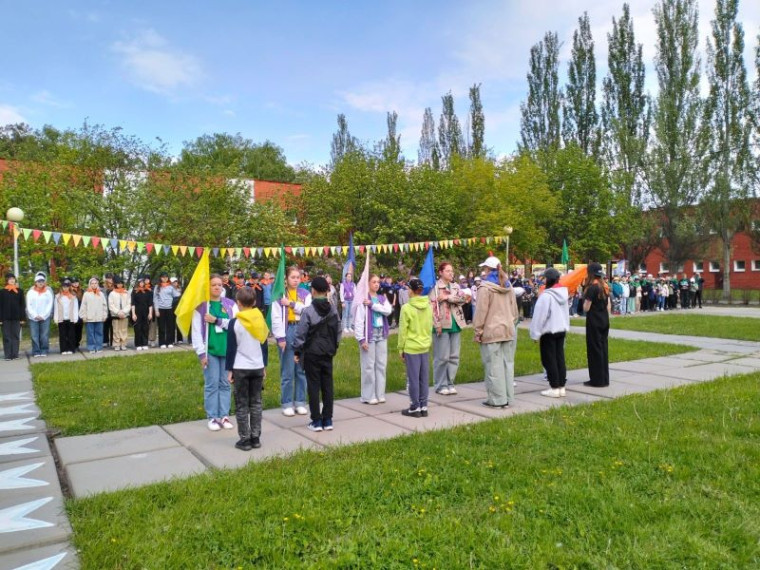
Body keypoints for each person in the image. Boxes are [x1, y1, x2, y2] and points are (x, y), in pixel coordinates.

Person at [292, 276, 341, 432]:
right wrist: (334, 346)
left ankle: (316, 420)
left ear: (312, 291)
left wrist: (298, 351)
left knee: (313, 386)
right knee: (328, 385)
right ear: (327, 290)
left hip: (312, 353)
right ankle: (328, 419)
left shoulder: (308, 311)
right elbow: (338, 331)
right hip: (328, 352)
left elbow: (301, 333)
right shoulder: (333, 309)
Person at [472, 256, 520, 408]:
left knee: (493, 366)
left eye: (484, 269)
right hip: (508, 329)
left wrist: (478, 331)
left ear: (487, 269)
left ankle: (497, 400)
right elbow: (515, 310)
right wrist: (511, 322)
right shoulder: (508, 286)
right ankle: (508, 398)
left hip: (491, 331)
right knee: (507, 365)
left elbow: (481, 312)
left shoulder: (485, 288)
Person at [192, 274, 237, 432]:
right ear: (208, 288)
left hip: (227, 350)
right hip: (210, 350)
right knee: (212, 384)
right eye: (213, 285)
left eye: (219, 285)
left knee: (225, 383)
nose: (217, 287)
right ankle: (212, 416)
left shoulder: (230, 305)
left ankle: (224, 415)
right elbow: (196, 331)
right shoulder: (202, 307)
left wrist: (217, 320)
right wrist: (201, 354)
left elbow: (235, 324)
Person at [225, 286, 268, 450]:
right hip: (257, 367)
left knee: (242, 404)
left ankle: (245, 439)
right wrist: (264, 365)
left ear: (238, 303)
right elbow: (264, 345)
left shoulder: (235, 323)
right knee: (256, 402)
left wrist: (230, 369)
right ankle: (256, 437)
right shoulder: (260, 319)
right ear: (255, 302)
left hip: (240, 367)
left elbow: (231, 348)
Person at [271, 266, 311, 417]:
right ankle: (287, 402)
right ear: (286, 279)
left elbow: (308, 311)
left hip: (302, 331)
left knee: (301, 368)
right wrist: (280, 337)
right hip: (287, 330)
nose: (295, 280)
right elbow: (275, 317)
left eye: (298, 277)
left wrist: (292, 305)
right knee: (287, 370)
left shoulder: (305, 294)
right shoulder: (279, 295)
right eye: (292, 277)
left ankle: (300, 401)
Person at [529, 268, 570, 398]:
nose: (543, 280)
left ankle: (554, 387)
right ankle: (561, 386)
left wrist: (535, 334)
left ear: (549, 279)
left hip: (549, 331)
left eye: (544, 278)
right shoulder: (563, 293)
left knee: (549, 359)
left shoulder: (546, 296)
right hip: (561, 329)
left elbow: (539, 317)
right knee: (559, 358)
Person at [430, 262, 467, 395]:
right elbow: (432, 307)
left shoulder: (455, 286)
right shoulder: (435, 288)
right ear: (440, 272)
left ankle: (450, 382)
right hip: (442, 325)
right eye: (447, 271)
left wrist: (448, 297)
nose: (451, 273)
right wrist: (436, 324)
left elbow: (463, 299)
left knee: (454, 356)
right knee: (442, 357)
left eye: (452, 271)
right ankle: (440, 384)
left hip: (455, 323)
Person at [355, 273, 393, 405]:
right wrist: (361, 339)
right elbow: (359, 321)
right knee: (368, 366)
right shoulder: (363, 300)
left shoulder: (382, 298)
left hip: (381, 334)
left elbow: (388, 311)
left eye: (378, 282)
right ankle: (368, 395)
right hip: (369, 335)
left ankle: (380, 393)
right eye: (373, 282)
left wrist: (373, 305)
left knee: (381, 365)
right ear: (368, 284)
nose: (376, 284)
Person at [397, 278, 433, 418]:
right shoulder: (428, 306)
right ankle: (424, 405)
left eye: (408, 289)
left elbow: (403, 331)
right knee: (423, 378)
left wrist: (401, 349)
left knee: (413, 378)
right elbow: (429, 326)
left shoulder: (407, 308)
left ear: (411, 291)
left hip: (411, 347)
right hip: (424, 346)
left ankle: (414, 406)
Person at [583, 262, 611, 387]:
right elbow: (609, 306)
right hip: (604, 319)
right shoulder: (605, 286)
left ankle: (596, 380)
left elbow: (586, 308)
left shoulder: (592, 288)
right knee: (603, 349)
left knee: (594, 350)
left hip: (594, 321)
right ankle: (605, 378)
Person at [26, 271, 54, 358]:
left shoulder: (48, 291)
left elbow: (50, 304)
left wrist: (44, 315)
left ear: (44, 282)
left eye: (42, 281)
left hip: (45, 317)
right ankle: (36, 351)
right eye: (39, 281)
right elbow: (28, 305)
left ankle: (44, 350)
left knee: (44, 335)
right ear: (35, 282)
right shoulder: (30, 292)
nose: (41, 283)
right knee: (34, 335)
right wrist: (35, 315)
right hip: (33, 317)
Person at [79, 277, 108, 353]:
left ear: (97, 284)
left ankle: (98, 347)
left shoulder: (101, 294)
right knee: (90, 334)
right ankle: (91, 347)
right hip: (89, 317)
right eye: (92, 283)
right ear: (90, 284)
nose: (94, 285)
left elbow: (104, 306)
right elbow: (83, 306)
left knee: (99, 333)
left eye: (95, 283)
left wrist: (105, 315)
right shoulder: (86, 294)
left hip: (99, 317)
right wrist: (83, 316)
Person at [0, 272, 25, 360]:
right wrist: (0, 319)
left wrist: (22, 318)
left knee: (15, 336)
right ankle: (8, 355)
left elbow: (22, 305)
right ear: (7, 280)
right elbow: (0, 305)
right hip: (5, 318)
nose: (12, 280)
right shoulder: (2, 292)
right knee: (7, 336)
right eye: (10, 279)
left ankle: (15, 354)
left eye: (13, 279)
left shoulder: (20, 291)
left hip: (17, 318)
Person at [154, 271, 180, 348]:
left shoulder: (171, 287)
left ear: (168, 278)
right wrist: (156, 310)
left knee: (170, 326)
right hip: (161, 309)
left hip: (170, 309)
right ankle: (162, 343)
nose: (164, 279)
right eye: (163, 277)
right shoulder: (157, 287)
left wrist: (180, 291)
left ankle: (170, 342)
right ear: (160, 278)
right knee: (161, 327)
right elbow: (155, 299)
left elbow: (177, 295)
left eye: (166, 277)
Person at [53, 277, 79, 355]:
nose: (65, 288)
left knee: (71, 334)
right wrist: (56, 318)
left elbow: (75, 307)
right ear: (62, 287)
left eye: (67, 286)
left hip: (70, 318)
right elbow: (56, 308)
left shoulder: (73, 296)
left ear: (69, 287)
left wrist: (75, 318)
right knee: (62, 335)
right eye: (64, 286)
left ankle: (71, 348)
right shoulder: (57, 296)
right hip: (62, 318)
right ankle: (63, 349)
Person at [108, 276, 131, 351]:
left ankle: (123, 344)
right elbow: (111, 305)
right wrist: (118, 312)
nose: (120, 285)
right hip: (116, 314)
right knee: (116, 330)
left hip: (125, 314)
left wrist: (124, 311)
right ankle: (116, 344)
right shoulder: (112, 293)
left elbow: (129, 304)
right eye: (118, 283)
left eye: (121, 283)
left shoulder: (126, 293)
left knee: (124, 329)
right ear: (115, 284)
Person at [70, 276, 84, 351]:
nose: (75, 284)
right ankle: (73, 344)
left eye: (76, 282)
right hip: (72, 313)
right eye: (73, 282)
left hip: (80, 313)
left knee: (79, 330)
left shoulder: (82, 291)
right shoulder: (69, 291)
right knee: (72, 330)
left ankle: (77, 343)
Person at [103, 273, 114, 348]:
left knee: (113, 326)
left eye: (110, 278)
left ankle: (113, 341)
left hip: (113, 310)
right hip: (105, 309)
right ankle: (105, 341)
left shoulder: (115, 287)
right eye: (108, 278)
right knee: (105, 327)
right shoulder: (103, 287)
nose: (109, 279)